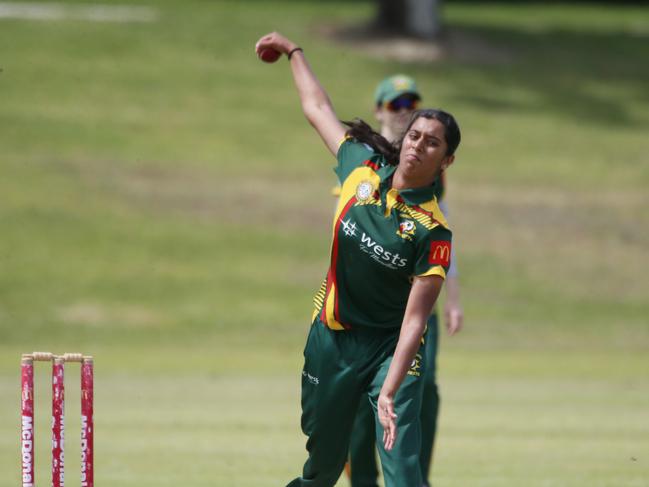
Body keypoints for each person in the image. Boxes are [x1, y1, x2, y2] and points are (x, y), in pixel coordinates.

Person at [255, 32, 461, 487]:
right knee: (323, 469)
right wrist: (294, 52)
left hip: (391, 349)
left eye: (432, 144)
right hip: (331, 339)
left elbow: (414, 323)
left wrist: (389, 389)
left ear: (445, 161)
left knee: (403, 468)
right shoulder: (361, 167)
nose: (418, 146)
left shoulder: (433, 231)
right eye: (416, 136)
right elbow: (317, 110)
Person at [347, 75, 464, 487]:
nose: (402, 113)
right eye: (395, 105)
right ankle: (362, 478)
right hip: (363, 312)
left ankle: (415, 479)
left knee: (422, 390)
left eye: (410, 104)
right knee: (358, 403)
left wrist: (453, 296)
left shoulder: (428, 167)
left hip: (414, 308)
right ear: (380, 110)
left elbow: (441, 230)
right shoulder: (363, 163)